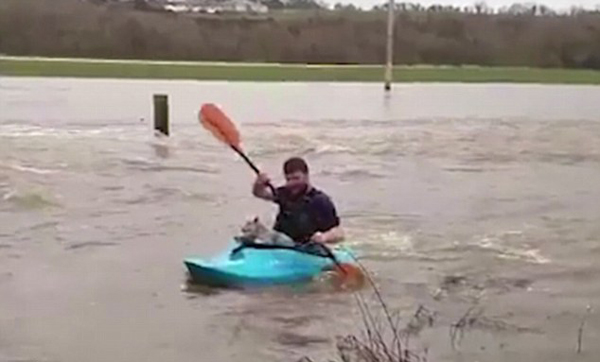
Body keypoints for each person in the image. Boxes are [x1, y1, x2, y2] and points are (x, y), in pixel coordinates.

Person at [252, 157, 345, 244]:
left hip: (307, 248)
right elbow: (260, 193)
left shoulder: (320, 201)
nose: (293, 183)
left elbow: (339, 233)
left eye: (296, 178)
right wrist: (259, 184)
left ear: (306, 176)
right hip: (281, 244)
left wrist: (324, 237)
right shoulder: (285, 193)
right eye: (289, 179)